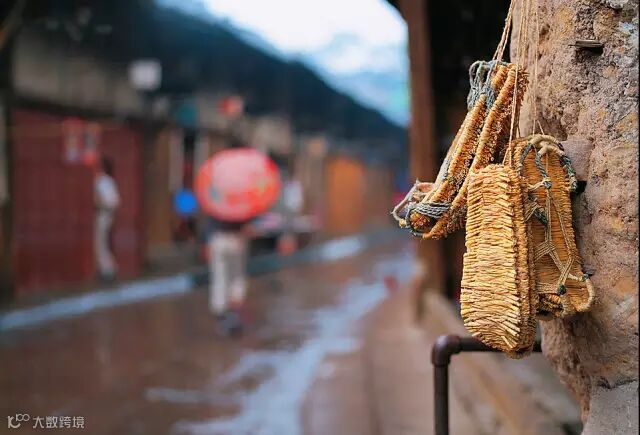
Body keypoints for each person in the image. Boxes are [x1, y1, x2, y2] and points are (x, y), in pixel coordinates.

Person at [206, 217, 254, 336]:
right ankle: (234, 313)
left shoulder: (217, 207)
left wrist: (206, 242)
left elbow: (209, 224)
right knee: (236, 277)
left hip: (218, 240)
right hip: (236, 239)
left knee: (220, 278)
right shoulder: (239, 209)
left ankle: (222, 314)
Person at [94, 157, 120, 282]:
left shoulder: (101, 180)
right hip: (108, 214)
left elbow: (103, 200)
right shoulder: (109, 181)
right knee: (103, 243)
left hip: (102, 214)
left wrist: (99, 203)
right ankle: (109, 269)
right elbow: (115, 201)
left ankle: (107, 270)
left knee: (100, 244)